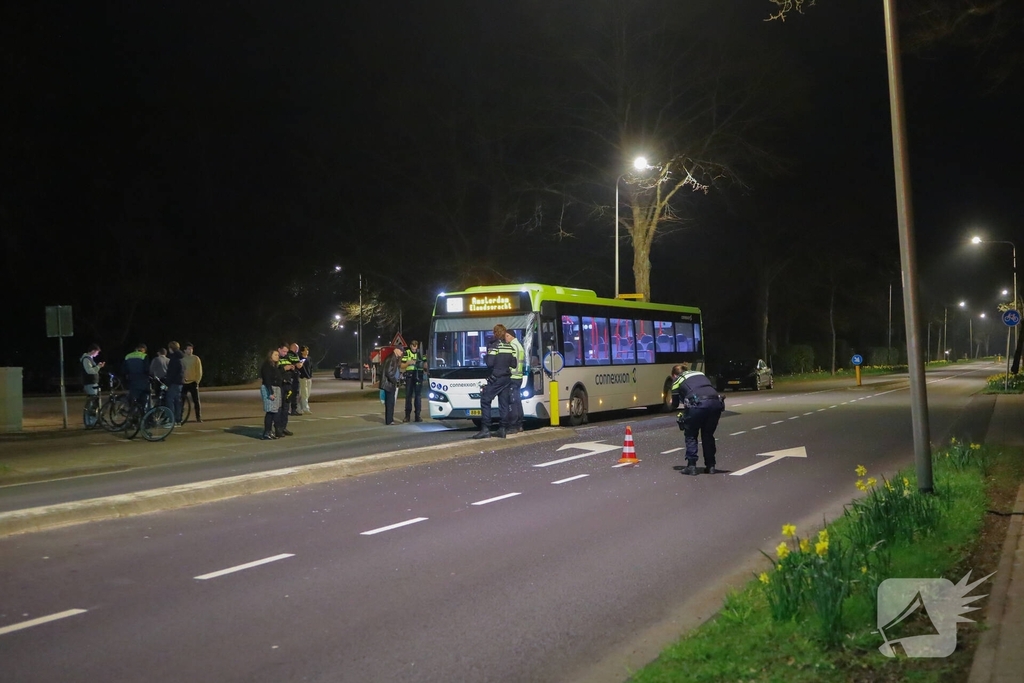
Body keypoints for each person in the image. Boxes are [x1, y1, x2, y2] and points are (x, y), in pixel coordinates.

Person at [671, 362, 726, 475]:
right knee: (708, 435)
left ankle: (691, 466)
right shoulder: (700, 373)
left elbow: (675, 404)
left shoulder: (677, 381)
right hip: (716, 403)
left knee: (691, 434)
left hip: (698, 405)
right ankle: (711, 466)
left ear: (675, 375)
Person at [471, 324, 517, 439]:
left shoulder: (494, 347)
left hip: (496, 378)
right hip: (507, 378)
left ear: (495, 333)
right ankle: (502, 429)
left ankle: (486, 428)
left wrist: (485, 357)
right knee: (504, 404)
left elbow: (490, 363)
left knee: (485, 400)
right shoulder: (509, 347)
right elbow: (514, 364)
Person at [504, 329, 526, 434]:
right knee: (517, 401)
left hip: (512, 377)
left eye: (507, 336)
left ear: (512, 336)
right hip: (519, 377)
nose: (505, 338)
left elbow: (509, 362)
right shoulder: (519, 346)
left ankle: (513, 426)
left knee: (512, 402)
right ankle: (519, 424)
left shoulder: (512, 346)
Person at [259, 349, 283, 440]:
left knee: (274, 411)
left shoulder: (274, 366)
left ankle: (270, 431)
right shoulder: (267, 366)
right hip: (270, 388)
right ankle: (266, 432)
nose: (278, 356)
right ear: (270, 356)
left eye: (278, 355)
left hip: (276, 388)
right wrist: (270, 393)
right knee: (270, 412)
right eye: (276, 355)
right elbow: (267, 380)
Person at [401, 339, 426, 422]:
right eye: (413, 347)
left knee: (418, 396)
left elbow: (425, 364)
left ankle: (417, 416)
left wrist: (422, 364)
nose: (414, 349)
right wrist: (409, 363)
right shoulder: (407, 353)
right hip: (410, 376)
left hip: (419, 375)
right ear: (410, 346)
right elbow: (402, 365)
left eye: (416, 347)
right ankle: (407, 416)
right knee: (408, 396)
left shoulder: (421, 353)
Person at [275, 344, 296, 436]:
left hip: (288, 385)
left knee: (286, 407)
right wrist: (284, 368)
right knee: (279, 408)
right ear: (279, 349)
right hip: (279, 385)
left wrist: (292, 368)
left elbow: (293, 371)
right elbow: (274, 372)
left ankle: (283, 427)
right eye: (284, 351)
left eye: (286, 351)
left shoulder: (287, 358)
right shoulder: (276, 359)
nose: (285, 353)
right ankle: (278, 429)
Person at [122, 343, 150, 408]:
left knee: (133, 399)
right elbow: (147, 369)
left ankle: (132, 414)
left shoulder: (128, 356)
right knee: (144, 399)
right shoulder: (144, 356)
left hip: (131, 381)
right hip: (142, 381)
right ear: (144, 350)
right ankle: (143, 415)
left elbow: (123, 370)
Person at [380, 346, 403, 425]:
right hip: (389, 384)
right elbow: (389, 372)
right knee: (390, 403)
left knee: (390, 402)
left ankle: (390, 419)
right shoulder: (391, 359)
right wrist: (394, 381)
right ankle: (389, 420)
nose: (401, 352)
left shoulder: (393, 358)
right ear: (396, 350)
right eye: (400, 350)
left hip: (389, 383)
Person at [181, 342, 204, 422]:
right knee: (181, 401)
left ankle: (198, 417)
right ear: (184, 350)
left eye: (191, 349)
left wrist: (197, 380)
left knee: (196, 401)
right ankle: (179, 417)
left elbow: (199, 371)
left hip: (193, 382)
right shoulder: (182, 359)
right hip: (184, 383)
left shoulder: (196, 358)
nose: (190, 350)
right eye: (188, 349)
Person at [165, 341, 185, 425]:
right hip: (179, 382)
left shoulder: (174, 359)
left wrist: (167, 383)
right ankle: (178, 420)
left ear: (171, 349)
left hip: (174, 382)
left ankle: (171, 420)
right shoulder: (181, 358)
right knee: (177, 401)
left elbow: (171, 373)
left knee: (170, 400)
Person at [287, 342, 302, 416]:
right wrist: (301, 363)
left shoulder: (286, 354)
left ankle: (286, 410)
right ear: (295, 348)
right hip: (294, 376)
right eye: (297, 348)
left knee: (287, 393)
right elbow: (299, 366)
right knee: (295, 393)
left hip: (288, 377)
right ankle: (293, 410)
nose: (298, 350)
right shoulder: (294, 355)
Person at [297, 346, 313, 415]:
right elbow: (300, 368)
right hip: (303, 378)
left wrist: (310, 375)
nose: (307, 352)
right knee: (304, 394)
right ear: (302, 351)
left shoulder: (309, 358)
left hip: (309, 378)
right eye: (305, 350)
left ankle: (300, 407)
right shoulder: (300, 359)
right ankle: (305, 408)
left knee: (307, 394)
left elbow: (311, 367)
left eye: (307, 350)